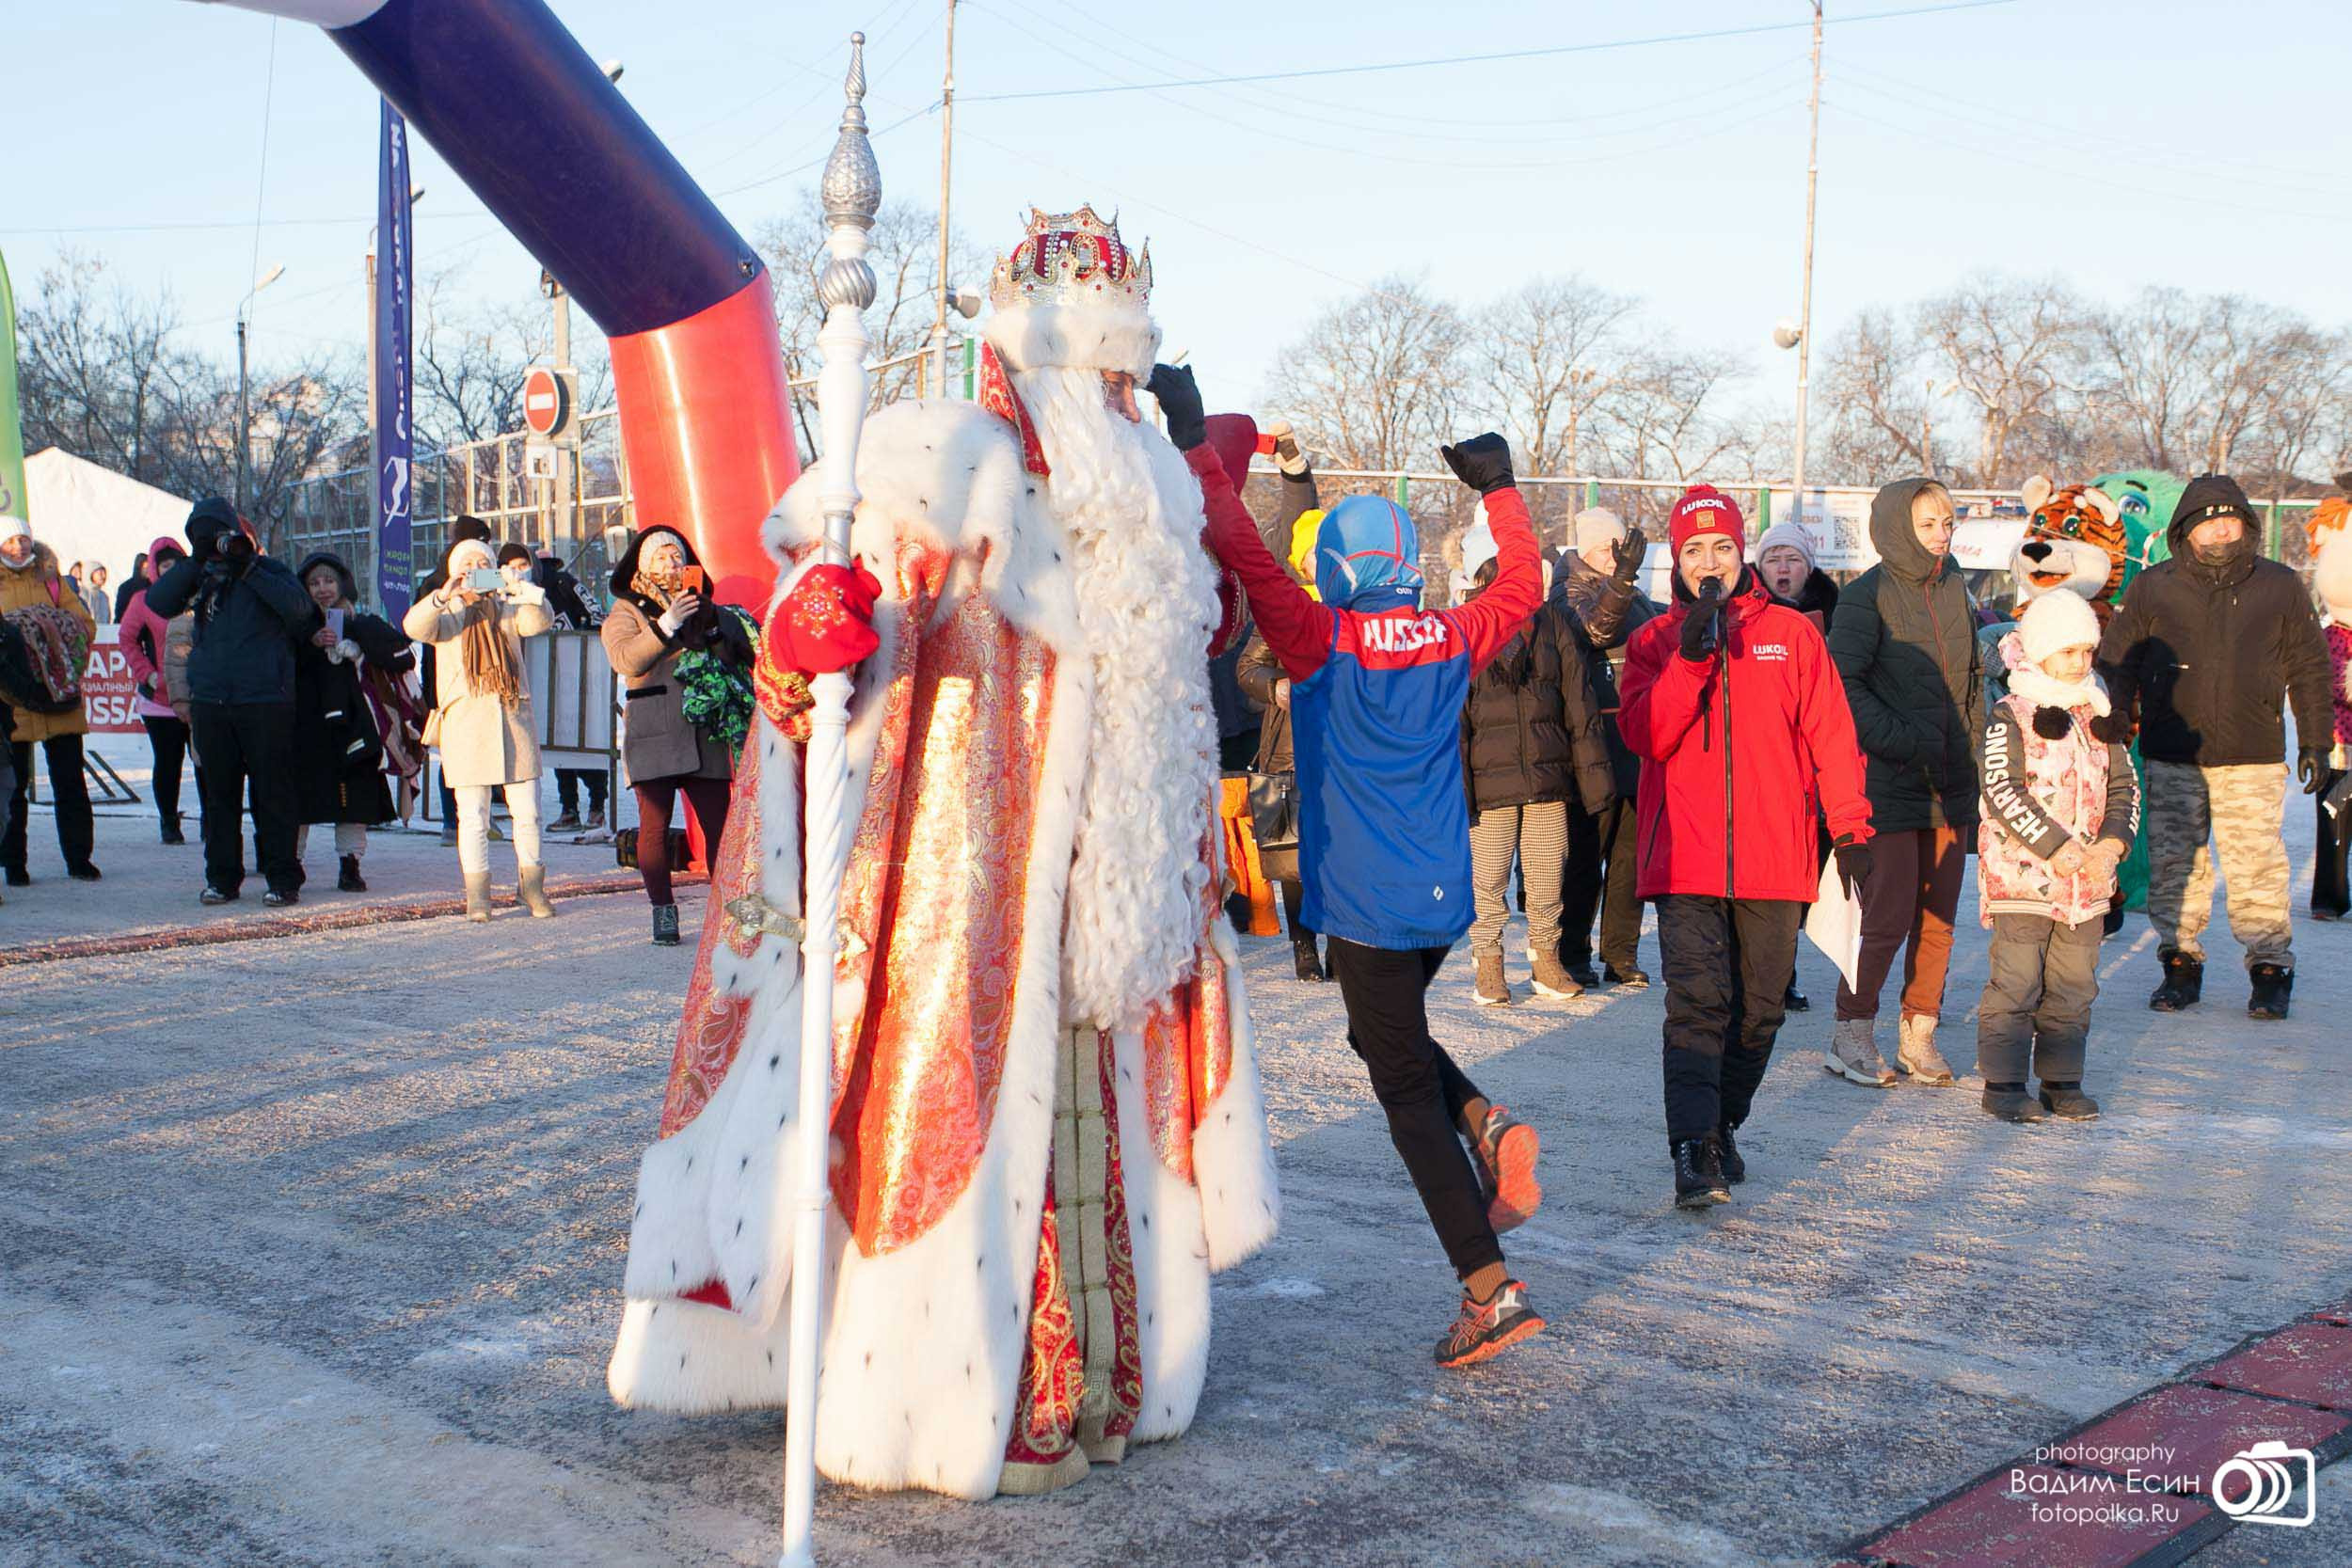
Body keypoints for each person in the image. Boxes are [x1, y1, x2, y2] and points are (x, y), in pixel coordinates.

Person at [608, 207, 1278, 1497]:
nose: (1125, 394)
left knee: (1097, 1132)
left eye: (1133, 370)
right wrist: (811, 646)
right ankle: (950, 1396)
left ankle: (1098, 1384)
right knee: (959, 1120)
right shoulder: (937, 466)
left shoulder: (1146, 507)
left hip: (1118, 901)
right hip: (958, 893)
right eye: (1104, 370)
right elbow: (827, 689)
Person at [1189, 383, 1549, 1363]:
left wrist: (1200, 451)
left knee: (1397, 1087)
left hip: (1361, 896)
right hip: (1442, 894)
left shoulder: (1320, 639)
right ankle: (1483, 1116)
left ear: (1340, 569)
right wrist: (1500, 490)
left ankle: (1490, 1286)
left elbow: (1248, 554)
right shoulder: (1448, 633)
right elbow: (1523, 586)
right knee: (1380, 1031)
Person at [1619, 486, 1873, 1209]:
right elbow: (1644, 736)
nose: (1710, 562)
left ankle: (1723, 1124)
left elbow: (1831, 733)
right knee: (1699, 1003)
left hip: (1773, 855)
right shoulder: (1652, 642)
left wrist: (1852, 826)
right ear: (1678, 558)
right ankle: (1691, 1149)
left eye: (1722, 548)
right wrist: (1691, 660)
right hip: (1686, 858)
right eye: (1694, 549)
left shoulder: (1791, 636)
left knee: (1759, 1012)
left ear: (1742, 554)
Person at [2100, 474, 2335, 1019]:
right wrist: (2114, 715)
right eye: (2210, 520)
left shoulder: (2279, 585)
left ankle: (2271, 969)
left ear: (2247, 525)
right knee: (2177, 866)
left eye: (2231, 520)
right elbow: (2117, 659)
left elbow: (2309, 668)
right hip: (2171, 753)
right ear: (2187, 528)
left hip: (2252, 755)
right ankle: (2179, 966)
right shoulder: (2154, 586)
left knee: (2258, 868)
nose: (2222, 530)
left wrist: (2317, 741)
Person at [1823, 479, 1981, 1089]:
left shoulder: (1956, 587)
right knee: (1886, 914)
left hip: (1952, 783)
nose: (1942, 533)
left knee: (1939, 914)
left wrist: (1972, 751)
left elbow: (1969, 680)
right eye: (1928, 524)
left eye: (1948, 521)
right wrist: (1898, 738)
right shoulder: (1867, 597)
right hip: (1889, 780)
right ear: (1897, 528)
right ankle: (1852, 1027)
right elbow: (1844, 684)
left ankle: (1920, 1028)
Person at [1974, 590, 2139, 1123]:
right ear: (2040, 652)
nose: (2080, 663)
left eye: (2087, 652)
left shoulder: (2099, 711)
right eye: (2067, 652)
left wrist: (2112, 844)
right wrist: (2057, 847)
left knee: (2074, 985)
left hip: (2087, 886)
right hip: (2023, 879)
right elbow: (2001, 790)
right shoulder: (2011, 713)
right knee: (2017, 981)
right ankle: (2002, 1083)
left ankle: (2062, 1080)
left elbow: (2125, 788)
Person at [1458, 520, 1615, 1006]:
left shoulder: (1552, 622)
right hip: (1489, 781)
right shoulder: (1465, 625)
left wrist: (1593, 777)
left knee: (1548, 871)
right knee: (1487, 875)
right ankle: (1488, 960)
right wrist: (1457, 787)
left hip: (1550, 774)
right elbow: (1453, 714)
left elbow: (1578, 703)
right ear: (1482, 572)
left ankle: (1545, 957)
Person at [145, 499, 314, 906]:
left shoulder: (268, 571)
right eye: (208, 538)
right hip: (212, 701)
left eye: (224, 537)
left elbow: (300, 611)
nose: (222, 546)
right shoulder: (200, 577)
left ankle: (282, 877)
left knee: (272, 792)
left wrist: (249, 567)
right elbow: (159, 603)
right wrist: (195, 560)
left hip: (264, 700)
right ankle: (221, 877)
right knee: (218, 795)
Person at [599, 525, 750, 945]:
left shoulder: (705, 603)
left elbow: (734, 658)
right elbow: (626, 659)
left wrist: (716, 627)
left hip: (704, 730)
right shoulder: (625, 610)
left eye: (677, 555)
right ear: (644, 565)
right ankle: (663, 911)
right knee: (654, 826)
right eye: (662, 556)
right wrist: (667, 623)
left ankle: (726, 912)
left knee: (721, 825)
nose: (672, 563)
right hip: (654, 728)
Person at [405, 536, 555, 922]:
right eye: (465, 563)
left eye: (481, 562)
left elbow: (540, 622)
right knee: (473, 814)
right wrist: (444, 594)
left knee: (528, 812)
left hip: (512, 718)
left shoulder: (507, 606)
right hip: (466, 724)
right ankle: (478, 895)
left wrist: (521, 588)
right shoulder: (448, 611)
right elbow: (414, 626)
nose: (473, 569)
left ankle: (533, 888)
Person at [1234, 420, 1329, 980]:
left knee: (1339, 852)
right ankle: (1303, 946)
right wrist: (1276, 686)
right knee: (1292, 854)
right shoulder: (1285, 602)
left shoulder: (1359, 607)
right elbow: (1251, 664)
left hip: (1343, 750)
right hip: (1287, 745)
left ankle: (1342, 943)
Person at [1552, 506, 1655, 989]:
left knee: (1630, 860)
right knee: (1584, 857)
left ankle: (1621, 954)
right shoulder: (1568, 591)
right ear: (1591, 550)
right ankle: (1573, 953)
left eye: (1622, 550)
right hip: (1590, 747)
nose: (1617, 558)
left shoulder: (1637, 597)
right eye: (1609, 550)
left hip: (1636, 744)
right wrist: (1623, 581)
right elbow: (1594, 631)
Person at [292, 552, 411, 893]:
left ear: (343, 583)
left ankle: (350, 864)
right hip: (307, 729)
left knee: (353, 799)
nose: (322, 589)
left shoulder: (363, 622)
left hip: (354, 728)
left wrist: (360, 651)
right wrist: (310, 642)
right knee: (301, 800)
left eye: (329, 580)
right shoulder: (297, 626)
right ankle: (292, 865)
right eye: (314, 583)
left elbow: (403, 656)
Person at [0, 515, 101, 883]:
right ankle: (14, 864)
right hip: (13, 697)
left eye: (23, 540)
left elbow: (84, 626)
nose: (18, 547)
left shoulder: (53, 579)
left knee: (70, 783)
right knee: (12, 788)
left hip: (58, 695)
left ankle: (79, 858)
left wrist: (49, 625)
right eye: (10, 541)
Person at [417, 515, 495, 847]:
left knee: (457, 754)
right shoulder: (443, 580)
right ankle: (455, 821)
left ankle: (458, 822)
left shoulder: (434, 576)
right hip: (456, 679)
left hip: (447, 678)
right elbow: (421, 626)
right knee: (455, 754)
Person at [119, 535, 199, 844]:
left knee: (206, 762)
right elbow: (127, 640)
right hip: (159, 698)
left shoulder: (199, 596)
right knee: (169, 762)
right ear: (155, 569)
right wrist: (147, 674)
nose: (172, 571)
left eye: (177, 565)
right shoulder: (143, 600)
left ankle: (212, 821)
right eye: (166, 565)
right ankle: (169, 821)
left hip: (199, 694)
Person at [532, 546, 609, 833]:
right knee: (562, 737)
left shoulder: (564, 583)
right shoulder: (526, 588)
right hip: (555, 671)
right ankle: (582, 808)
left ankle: (587, 808)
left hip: (580, 669)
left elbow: (596, 617)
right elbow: (598, 613)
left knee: (583, 737)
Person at [2312, 529, 2351, 921]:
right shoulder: (2330, 637)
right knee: (2334, 827)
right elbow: (2330, 682)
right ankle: (2330, 897)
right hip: (2339, 748)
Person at [1750, 521, 1840, 632]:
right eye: (1773, 560)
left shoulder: (1835, 613)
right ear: (1761, 570)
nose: (1783, 569)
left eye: (1793, 559)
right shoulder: (1742, 612)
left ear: (1808, 570)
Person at [115, 552, 149, 623]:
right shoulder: (126, 587)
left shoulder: (154, 586)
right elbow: (120, 613)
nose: (148, 570)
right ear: (139, 567)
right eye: (145, 567)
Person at [82, 563, 115, 627]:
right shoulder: (82, 593)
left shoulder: (104, 596)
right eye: (100, 573)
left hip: (102, 634)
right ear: (90, 574)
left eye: (104, 573)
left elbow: (108, 619)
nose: (103, 576)